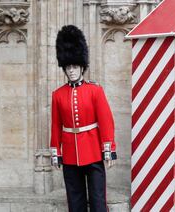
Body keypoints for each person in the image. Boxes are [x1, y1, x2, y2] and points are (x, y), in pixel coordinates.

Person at [50, 25, 117, 212]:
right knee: (75, 199)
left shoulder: (95, 91)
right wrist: (56, 152)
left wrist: (108, 148)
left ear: (82, 67)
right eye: (68, 67)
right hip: (71, 154)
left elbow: (105, 120)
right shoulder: (58, 94)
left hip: (93, 151)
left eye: (74, 66)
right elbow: (56, 125)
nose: (71, 71)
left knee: (97, 199)